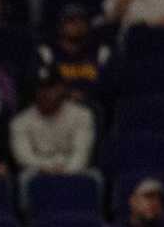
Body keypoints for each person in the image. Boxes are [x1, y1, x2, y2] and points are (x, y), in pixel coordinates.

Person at [8, 68, 97, 206]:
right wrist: (46, 168)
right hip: (38, 171)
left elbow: (81, 153)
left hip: (73, 168)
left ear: (61, 88)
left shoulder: (82, 115)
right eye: (41, 88)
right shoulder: (20, 121)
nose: (46, 93)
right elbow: (23, 156)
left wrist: (66, 172)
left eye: (51, 87)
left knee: (95, 178)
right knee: (24, 180)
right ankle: (29, 224)